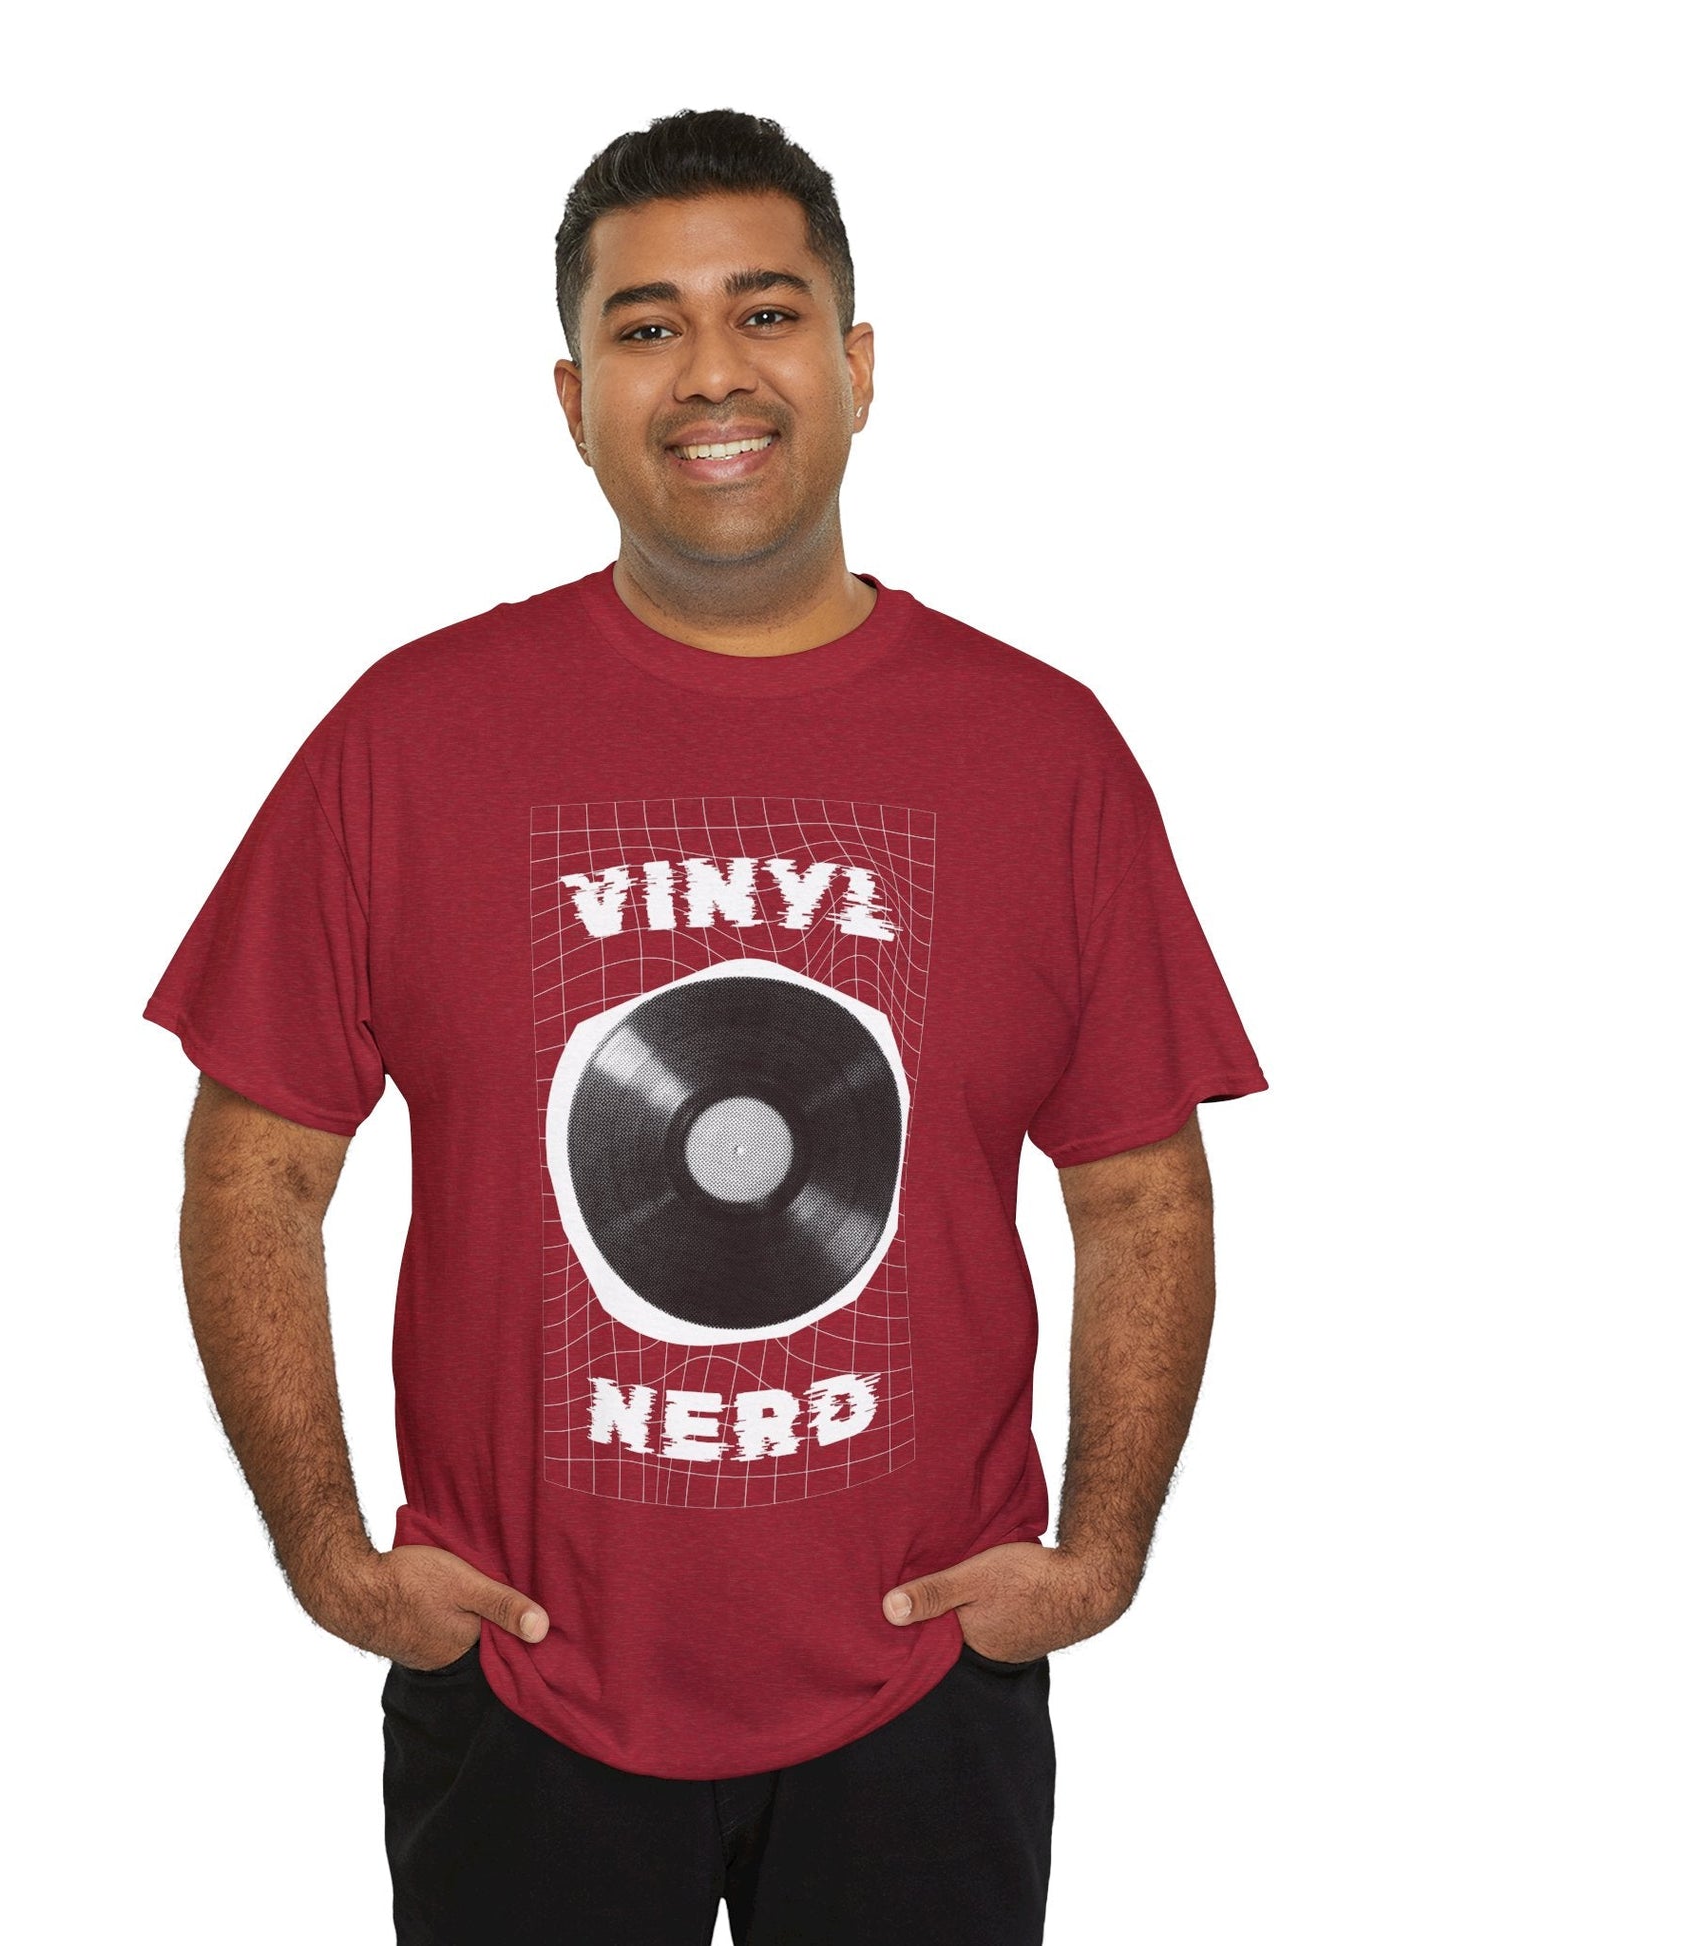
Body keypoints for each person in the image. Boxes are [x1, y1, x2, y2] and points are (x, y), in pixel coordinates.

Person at [144, 106, 1267, 1946]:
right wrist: (330, 1553)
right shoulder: (408, 737)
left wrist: (1100, 1551)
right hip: (522, 1677)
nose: (712, 372)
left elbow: (1141, 1186)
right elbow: (253, 1168)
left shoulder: (1040, 749)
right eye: (647, 326)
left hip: (926, 1675)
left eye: (765, 310)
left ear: (858, 364)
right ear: (572, 396)